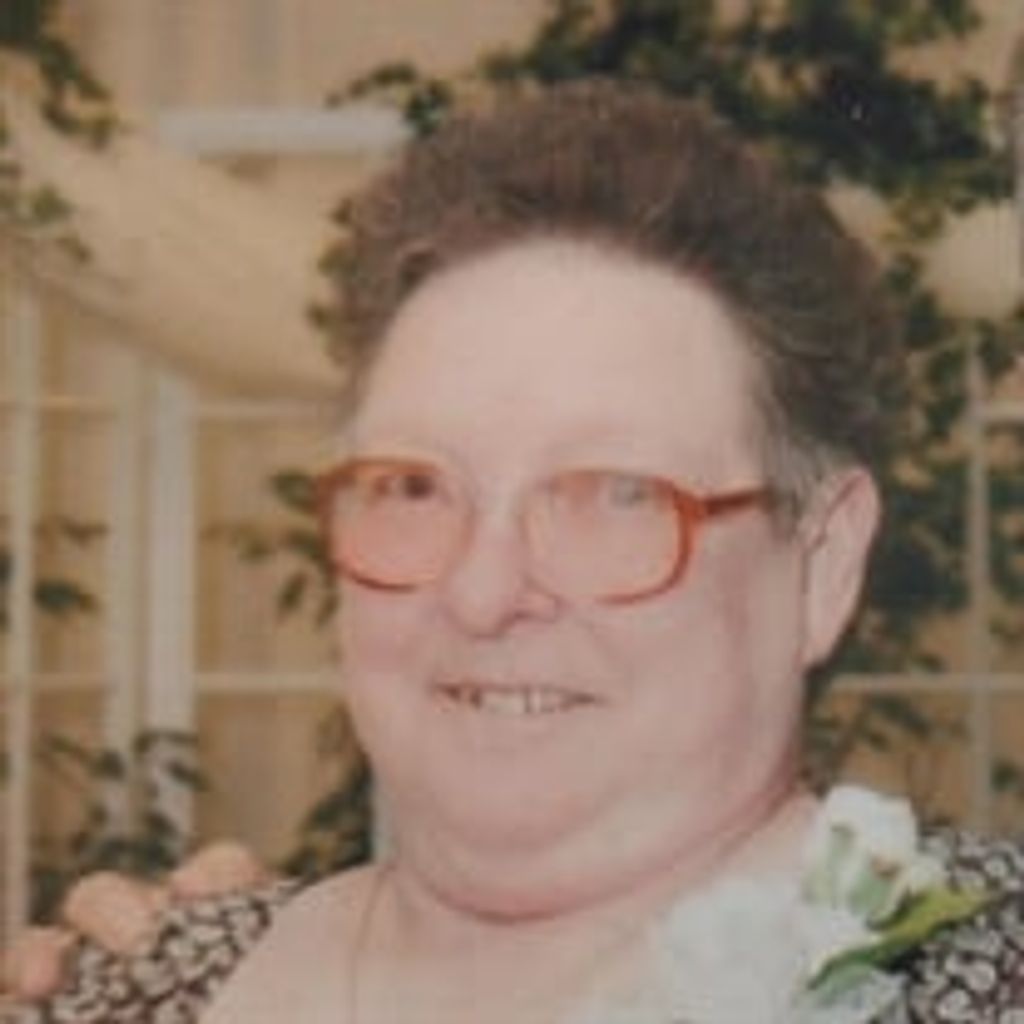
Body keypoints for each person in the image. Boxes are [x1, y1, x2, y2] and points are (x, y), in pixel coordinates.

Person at [4, 79, 1024, 1023]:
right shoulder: (136, 989)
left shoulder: (987, 983)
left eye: (615, 496)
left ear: (824, 560)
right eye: (415, 487)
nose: (483, 592)